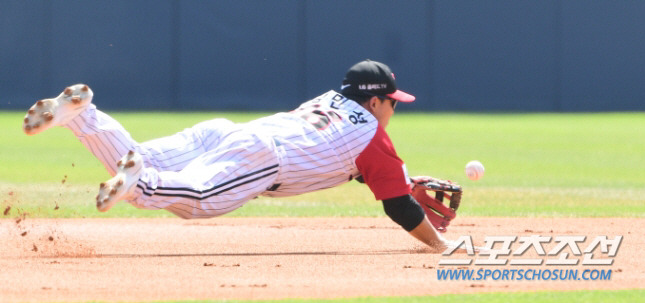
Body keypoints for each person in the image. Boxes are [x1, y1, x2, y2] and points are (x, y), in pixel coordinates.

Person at [23, 59, 455, 251]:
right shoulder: (374, 141)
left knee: (138, 157)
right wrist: (437, 244)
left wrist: (402, 178)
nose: (395, 109)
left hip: (228, 133)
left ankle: (82, 115)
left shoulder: (330, 101)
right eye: (393, 101)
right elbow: (398, 207)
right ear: (376, 102)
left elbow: (342, 157)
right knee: (191, 202)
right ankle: (141, 184)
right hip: (261, 159)